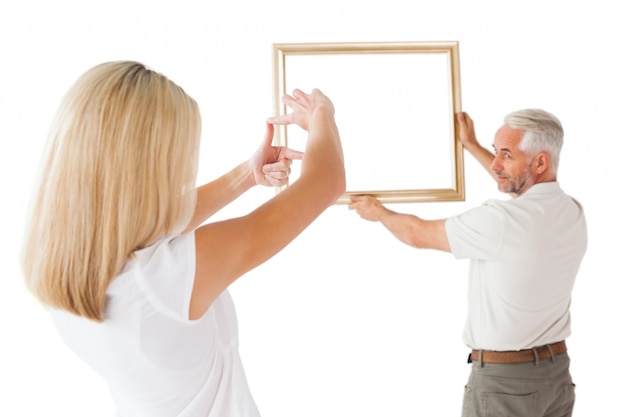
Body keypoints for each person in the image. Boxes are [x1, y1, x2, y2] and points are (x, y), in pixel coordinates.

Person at [21, 61, 345, 417]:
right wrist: (322, 116)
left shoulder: (61, 257)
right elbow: (325, 182)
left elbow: (149, 223)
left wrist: (246, 176)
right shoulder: (164, 283)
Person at [349, 109, 587, 417]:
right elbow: (523, 189)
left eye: (505, 154)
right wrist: (471, 144)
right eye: (495, 152)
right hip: (556, 378)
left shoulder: (500, 220)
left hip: (506, 384)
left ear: (540, 162)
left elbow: (417, 234)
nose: (496, 164)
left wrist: (379, 212)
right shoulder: (571, 212)